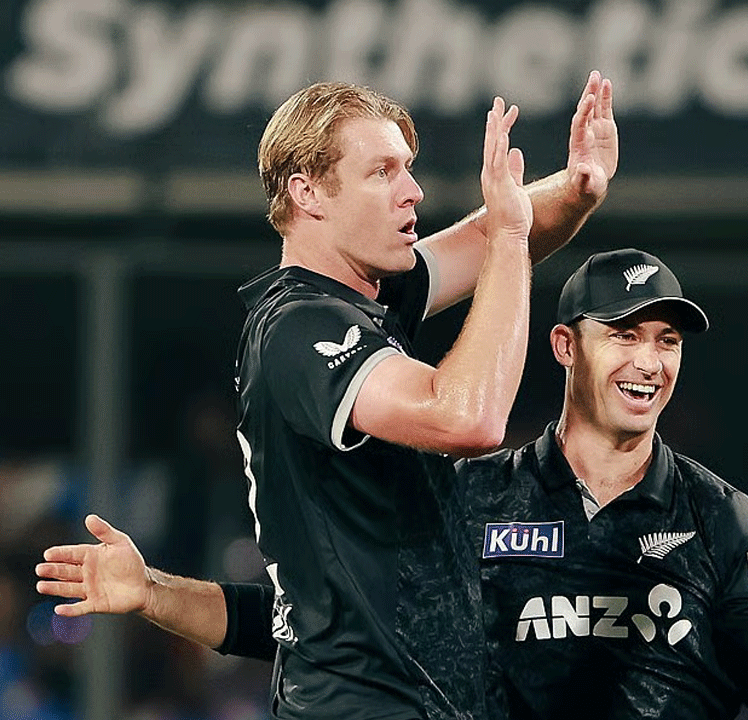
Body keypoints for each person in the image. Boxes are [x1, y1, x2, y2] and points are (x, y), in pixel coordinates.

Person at [40, 249, 748, 720]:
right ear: (565, 347)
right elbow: (313, 625)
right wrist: (150, 592)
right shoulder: (469, 499)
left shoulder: (720, 513)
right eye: (624, 335)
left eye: (667, 341)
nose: (649, 361)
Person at [229, 71, 617, 720]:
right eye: (382, 172)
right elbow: (466, 418)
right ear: (307, 192)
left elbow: (484, 237)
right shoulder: (298, 326)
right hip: (358, 706)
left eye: (407, 169)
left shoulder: (361, 302)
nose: (412, 191)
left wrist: (578, 186)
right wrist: (510, 237)